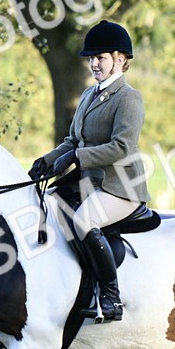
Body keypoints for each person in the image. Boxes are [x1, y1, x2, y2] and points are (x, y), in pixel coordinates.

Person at [29, 20, 150, 323]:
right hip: (88, 182)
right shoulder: (87, 94)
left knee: (83, 219)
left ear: (120, 60)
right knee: (49, 202)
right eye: (91, 58)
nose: (94, 63)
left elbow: (121, 147)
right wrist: (46, 160)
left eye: (101, 58)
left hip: (120, 185)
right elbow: (72, 140)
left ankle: (110, 295)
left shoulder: (129, 98)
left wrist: (76, 157)